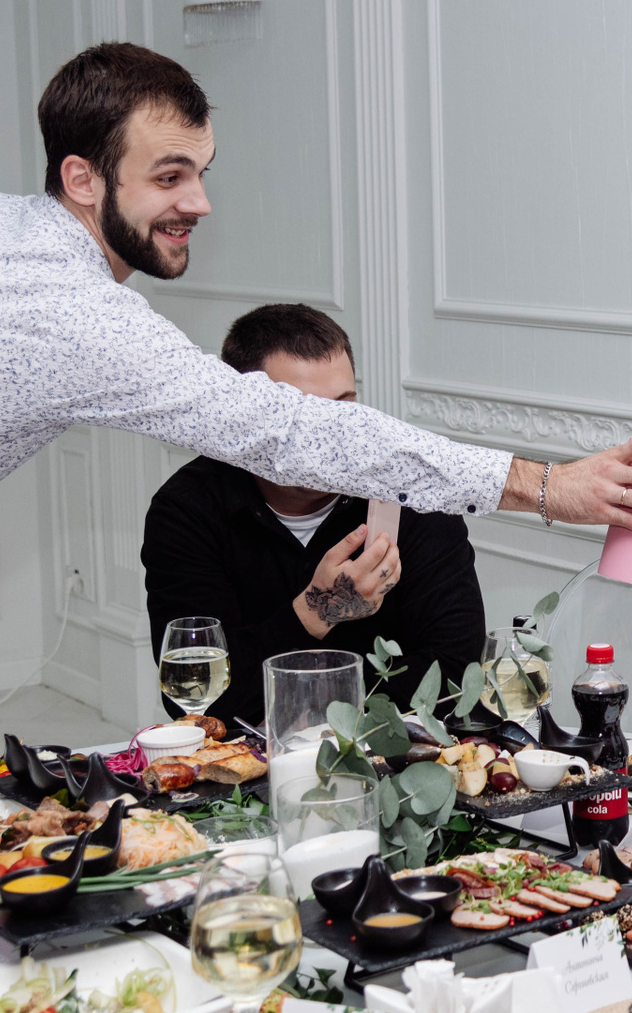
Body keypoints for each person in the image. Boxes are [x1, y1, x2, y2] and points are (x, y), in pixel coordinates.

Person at [0, 42, 632, 774]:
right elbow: (282, 429)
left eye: (201, 169)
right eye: (168, 176)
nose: (198, 200)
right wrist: (541, 484)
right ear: (82, 178)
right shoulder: (75, 314)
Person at [143, 304, 487, 726]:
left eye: (343, 409)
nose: (332, 438)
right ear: (241, 417)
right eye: (301, 417)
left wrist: (305, 703)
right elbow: (200, 700)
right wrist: (316, 612)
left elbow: (455, 679)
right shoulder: (187, 509)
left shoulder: (410, 493)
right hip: (246, 761)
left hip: (397, 753)